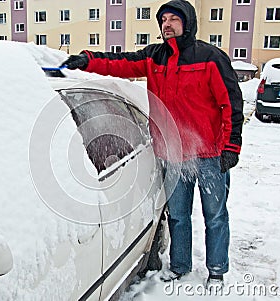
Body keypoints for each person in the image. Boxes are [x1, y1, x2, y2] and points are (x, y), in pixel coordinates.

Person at [60, 0, 243, 288]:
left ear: (188, 22)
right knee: (178, 216)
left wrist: (231, 146)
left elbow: (231, 103)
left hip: (210, 154)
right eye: (163, 20)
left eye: (173, 19)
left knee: (215, 216)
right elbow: (119, 62)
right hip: (173, 153)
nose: (167, 25)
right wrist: (87, 59)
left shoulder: (210, 57)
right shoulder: (154, 57)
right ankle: (181, 265)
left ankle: (217, 270)